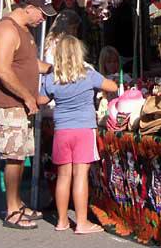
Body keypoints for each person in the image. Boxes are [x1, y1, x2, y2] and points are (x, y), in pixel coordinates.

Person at [0, 0, 56, 230]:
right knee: (14, 158)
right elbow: (2, 70)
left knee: (20, 155)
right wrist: (28, 97)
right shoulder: (7, 29)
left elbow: (29, 63)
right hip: (10, 104)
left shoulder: (25, 31)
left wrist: (53, 69)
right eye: (42, 13)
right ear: (29, 8)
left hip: (20, 105)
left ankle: (18, 202)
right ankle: (12, 210)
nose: (43, 19)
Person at [38, 35, 117, 233]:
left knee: (63, 176)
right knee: (80, 175)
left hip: (62, 130)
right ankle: (82, 222)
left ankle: (62, 221)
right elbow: (112, 86)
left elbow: (40, 100)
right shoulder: (88, 74)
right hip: (83, 129)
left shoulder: (52, 78)